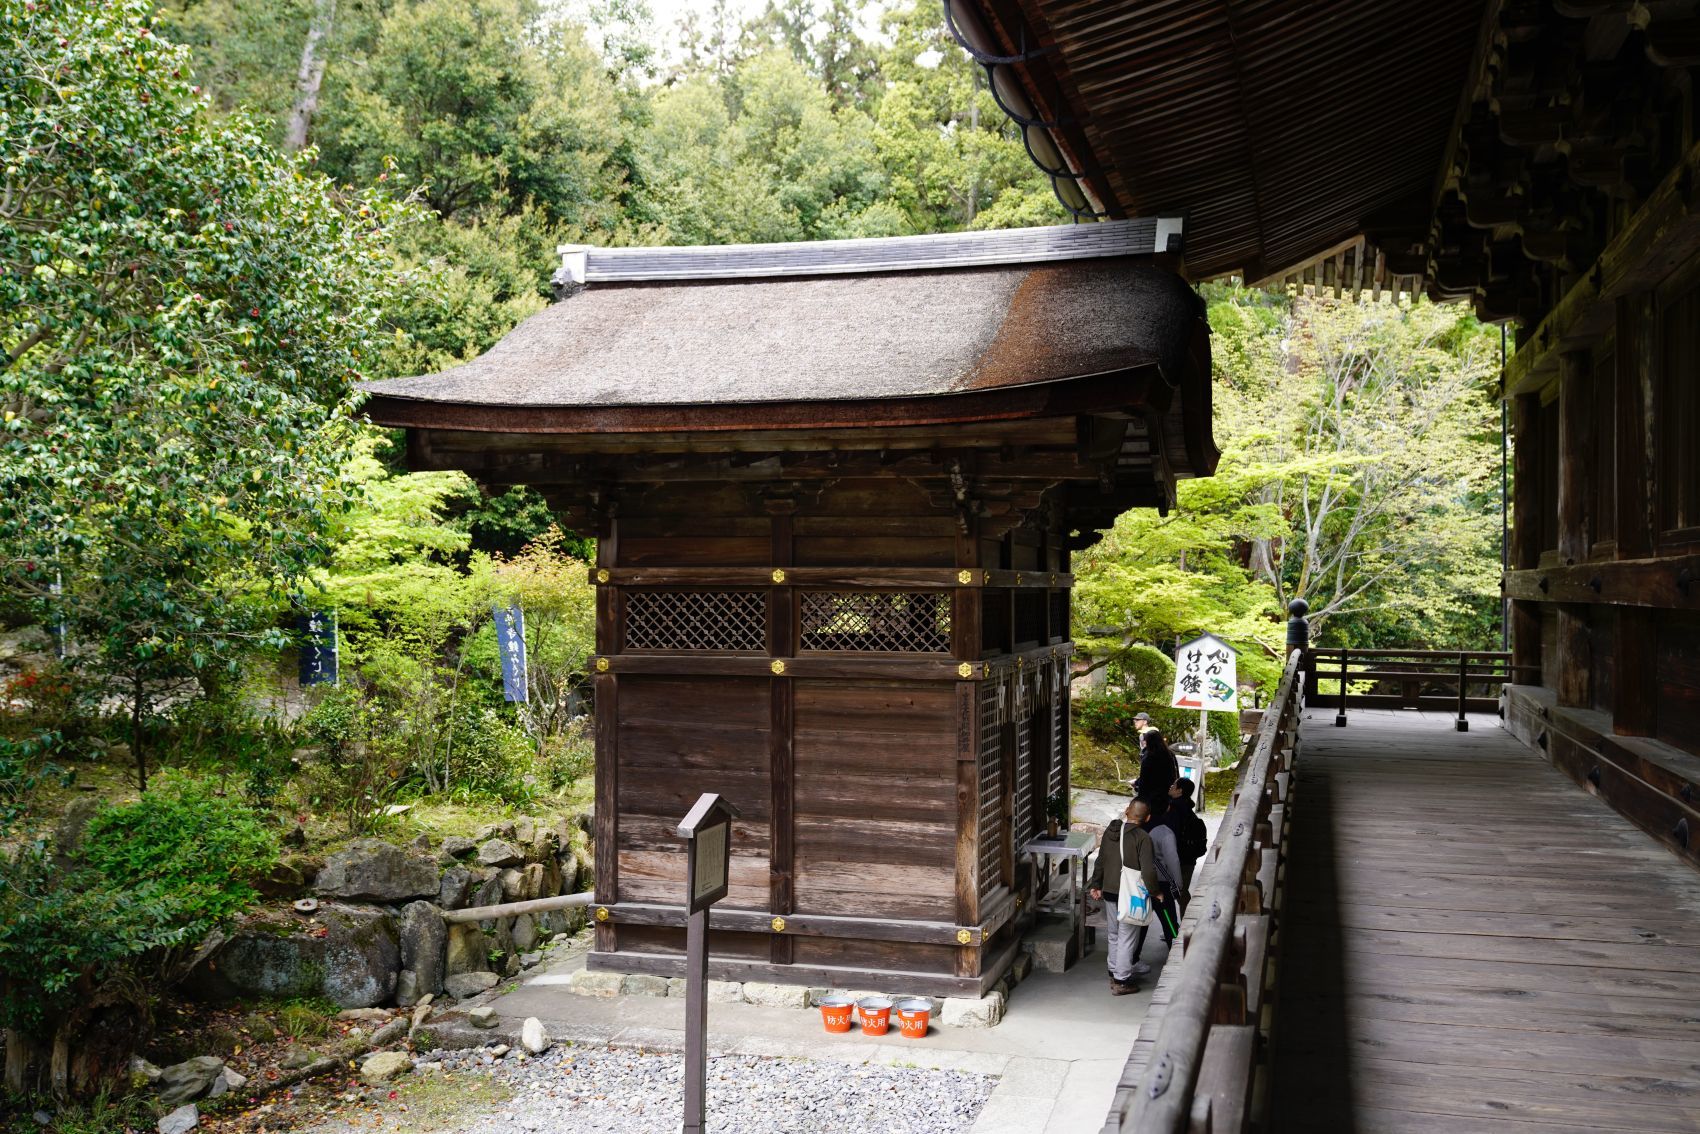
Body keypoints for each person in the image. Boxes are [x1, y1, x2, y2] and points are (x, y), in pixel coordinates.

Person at [1087, 798, 1159, 995]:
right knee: (1127, 937)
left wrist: (1096, 884)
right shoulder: (1143, 838)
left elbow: (1101, 860)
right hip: (1130, 893)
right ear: (1148, 818)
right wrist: (1156, 892)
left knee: (1114, 933)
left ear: (1127, 811)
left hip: (1110, 891)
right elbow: (1148, 871)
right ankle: (1121, 980)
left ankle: (1114, 971)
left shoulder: (1111, 833)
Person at [1140, 799, 1185, 948]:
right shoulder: (1165, 832)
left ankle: (1133, 957)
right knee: (1168, 919)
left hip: (1140, 880)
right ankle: (1174, 949)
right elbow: (1173, 860)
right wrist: (1178, 883)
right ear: (1168, 808)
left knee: (1140, 922)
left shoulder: (1139, 827)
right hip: (1160, 884)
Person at [1164, 777, 1209, 896]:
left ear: (1179, 791)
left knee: (1166, 892)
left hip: (1176, 858)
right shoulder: (1189, 810)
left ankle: (1171, 915)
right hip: (1189, 858)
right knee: (1182, 893)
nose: (1171, 787)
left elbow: (1169, 834)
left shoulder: (1173, 809)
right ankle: (1183, 914)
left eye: (1174, 785)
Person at [1133, 728, 1178, 814]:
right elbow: (1174, 774)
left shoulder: (1149, 756)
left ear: (1148, 742)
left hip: (1149, 795)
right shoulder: (1169, 754)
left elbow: (1144, 778)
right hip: (1165, 793)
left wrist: (1137, 785)